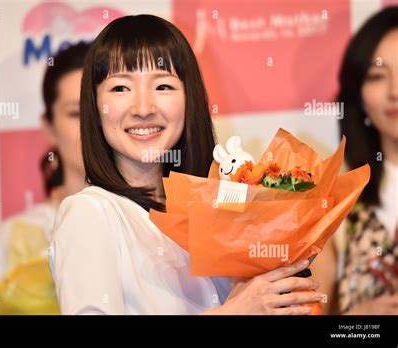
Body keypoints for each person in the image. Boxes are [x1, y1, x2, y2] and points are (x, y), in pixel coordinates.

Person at [49, 15, 323, 315]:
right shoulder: (89, 213)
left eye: (163, 86)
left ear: (189, 99)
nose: (143, 109)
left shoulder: (212, 213)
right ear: (94, 105)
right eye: (120, 88)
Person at [0, 42, 90, 314]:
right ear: (49, 127)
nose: (91, 127)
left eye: (100, 110)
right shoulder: (11, 240)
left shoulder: (153, 224)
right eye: (76, 113)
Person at [310, 7, 398, 314]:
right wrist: (356, 322)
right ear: (358, 93)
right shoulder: (334, 198)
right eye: (377, 76)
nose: (395, 92)